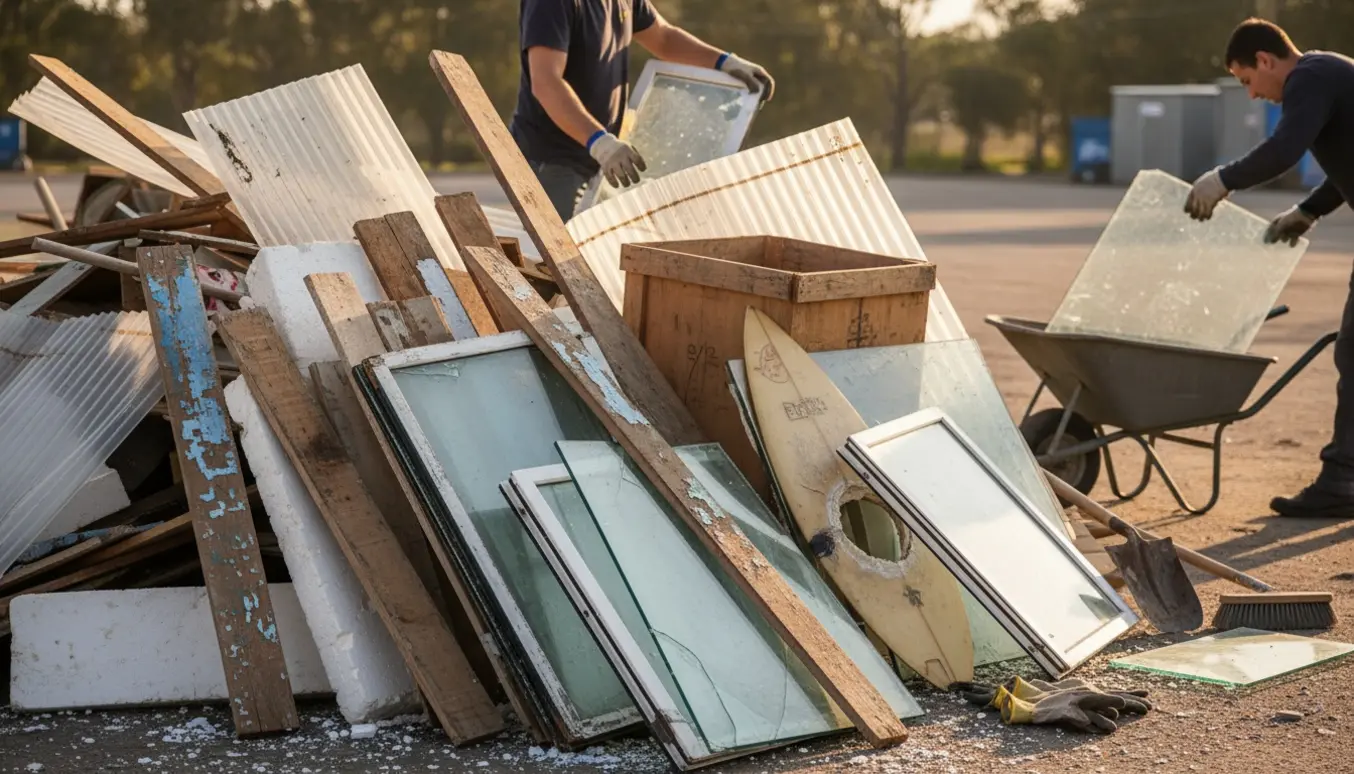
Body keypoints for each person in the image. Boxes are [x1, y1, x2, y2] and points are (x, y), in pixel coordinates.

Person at [1185, 18, 1354, 518]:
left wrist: (1223, 179)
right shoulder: (1330, 74)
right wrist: (1309, 210)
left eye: (1246, 81)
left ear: (1265, 59)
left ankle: (1343, 480)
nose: (1253, 95)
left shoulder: (1311, 77)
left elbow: (1284, 150)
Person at [510, 0, 774, 220]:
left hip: (599, 161)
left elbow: (664, 39)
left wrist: (725, 62)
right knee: (551, 269)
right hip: (552, 163)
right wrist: (600, 143)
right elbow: (546, 82)